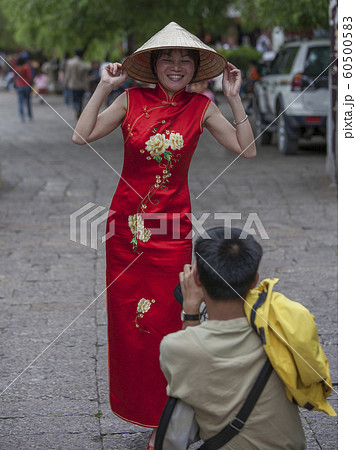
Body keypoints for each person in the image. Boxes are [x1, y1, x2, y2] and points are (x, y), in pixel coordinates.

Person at [72, 22, 256, 449]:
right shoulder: (130, 99)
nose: (177, 65)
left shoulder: (202, 106)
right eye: (167, 58)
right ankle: (145, 411)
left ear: (196, 67)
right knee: (132, 328)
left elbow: (246, 149)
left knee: (173, 325)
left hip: (173, 232)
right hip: (126, 232)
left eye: (185, 59)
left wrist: (233, 97)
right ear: (153, 65)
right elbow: (81, 136)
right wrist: (104, 87)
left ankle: (167, 420)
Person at [160, 227, 306, 449]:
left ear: (196, 277)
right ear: (255, 280)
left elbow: (187, 375)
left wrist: (190, 310)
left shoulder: (175, 347)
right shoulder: (284, 329)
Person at [64, 49, 90, 118]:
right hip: (81, 85)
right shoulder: (83, 64)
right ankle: (79, 110)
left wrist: (65, 83)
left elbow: (67, 74)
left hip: (73, 84)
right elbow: (85, 78)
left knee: (74, 99)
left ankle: (76, 108)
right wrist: (87, 87)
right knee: (80, 100)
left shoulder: (70, 63)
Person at [12, 56, 34, 122]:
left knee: (20, 103)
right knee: (28, 102)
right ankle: (30, 116)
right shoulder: (27, 67)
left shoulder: (16, 68)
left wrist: (15, 84)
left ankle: (22, 117)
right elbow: (30, 77)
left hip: (19, 86)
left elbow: (14, 77)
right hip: (26, 85)